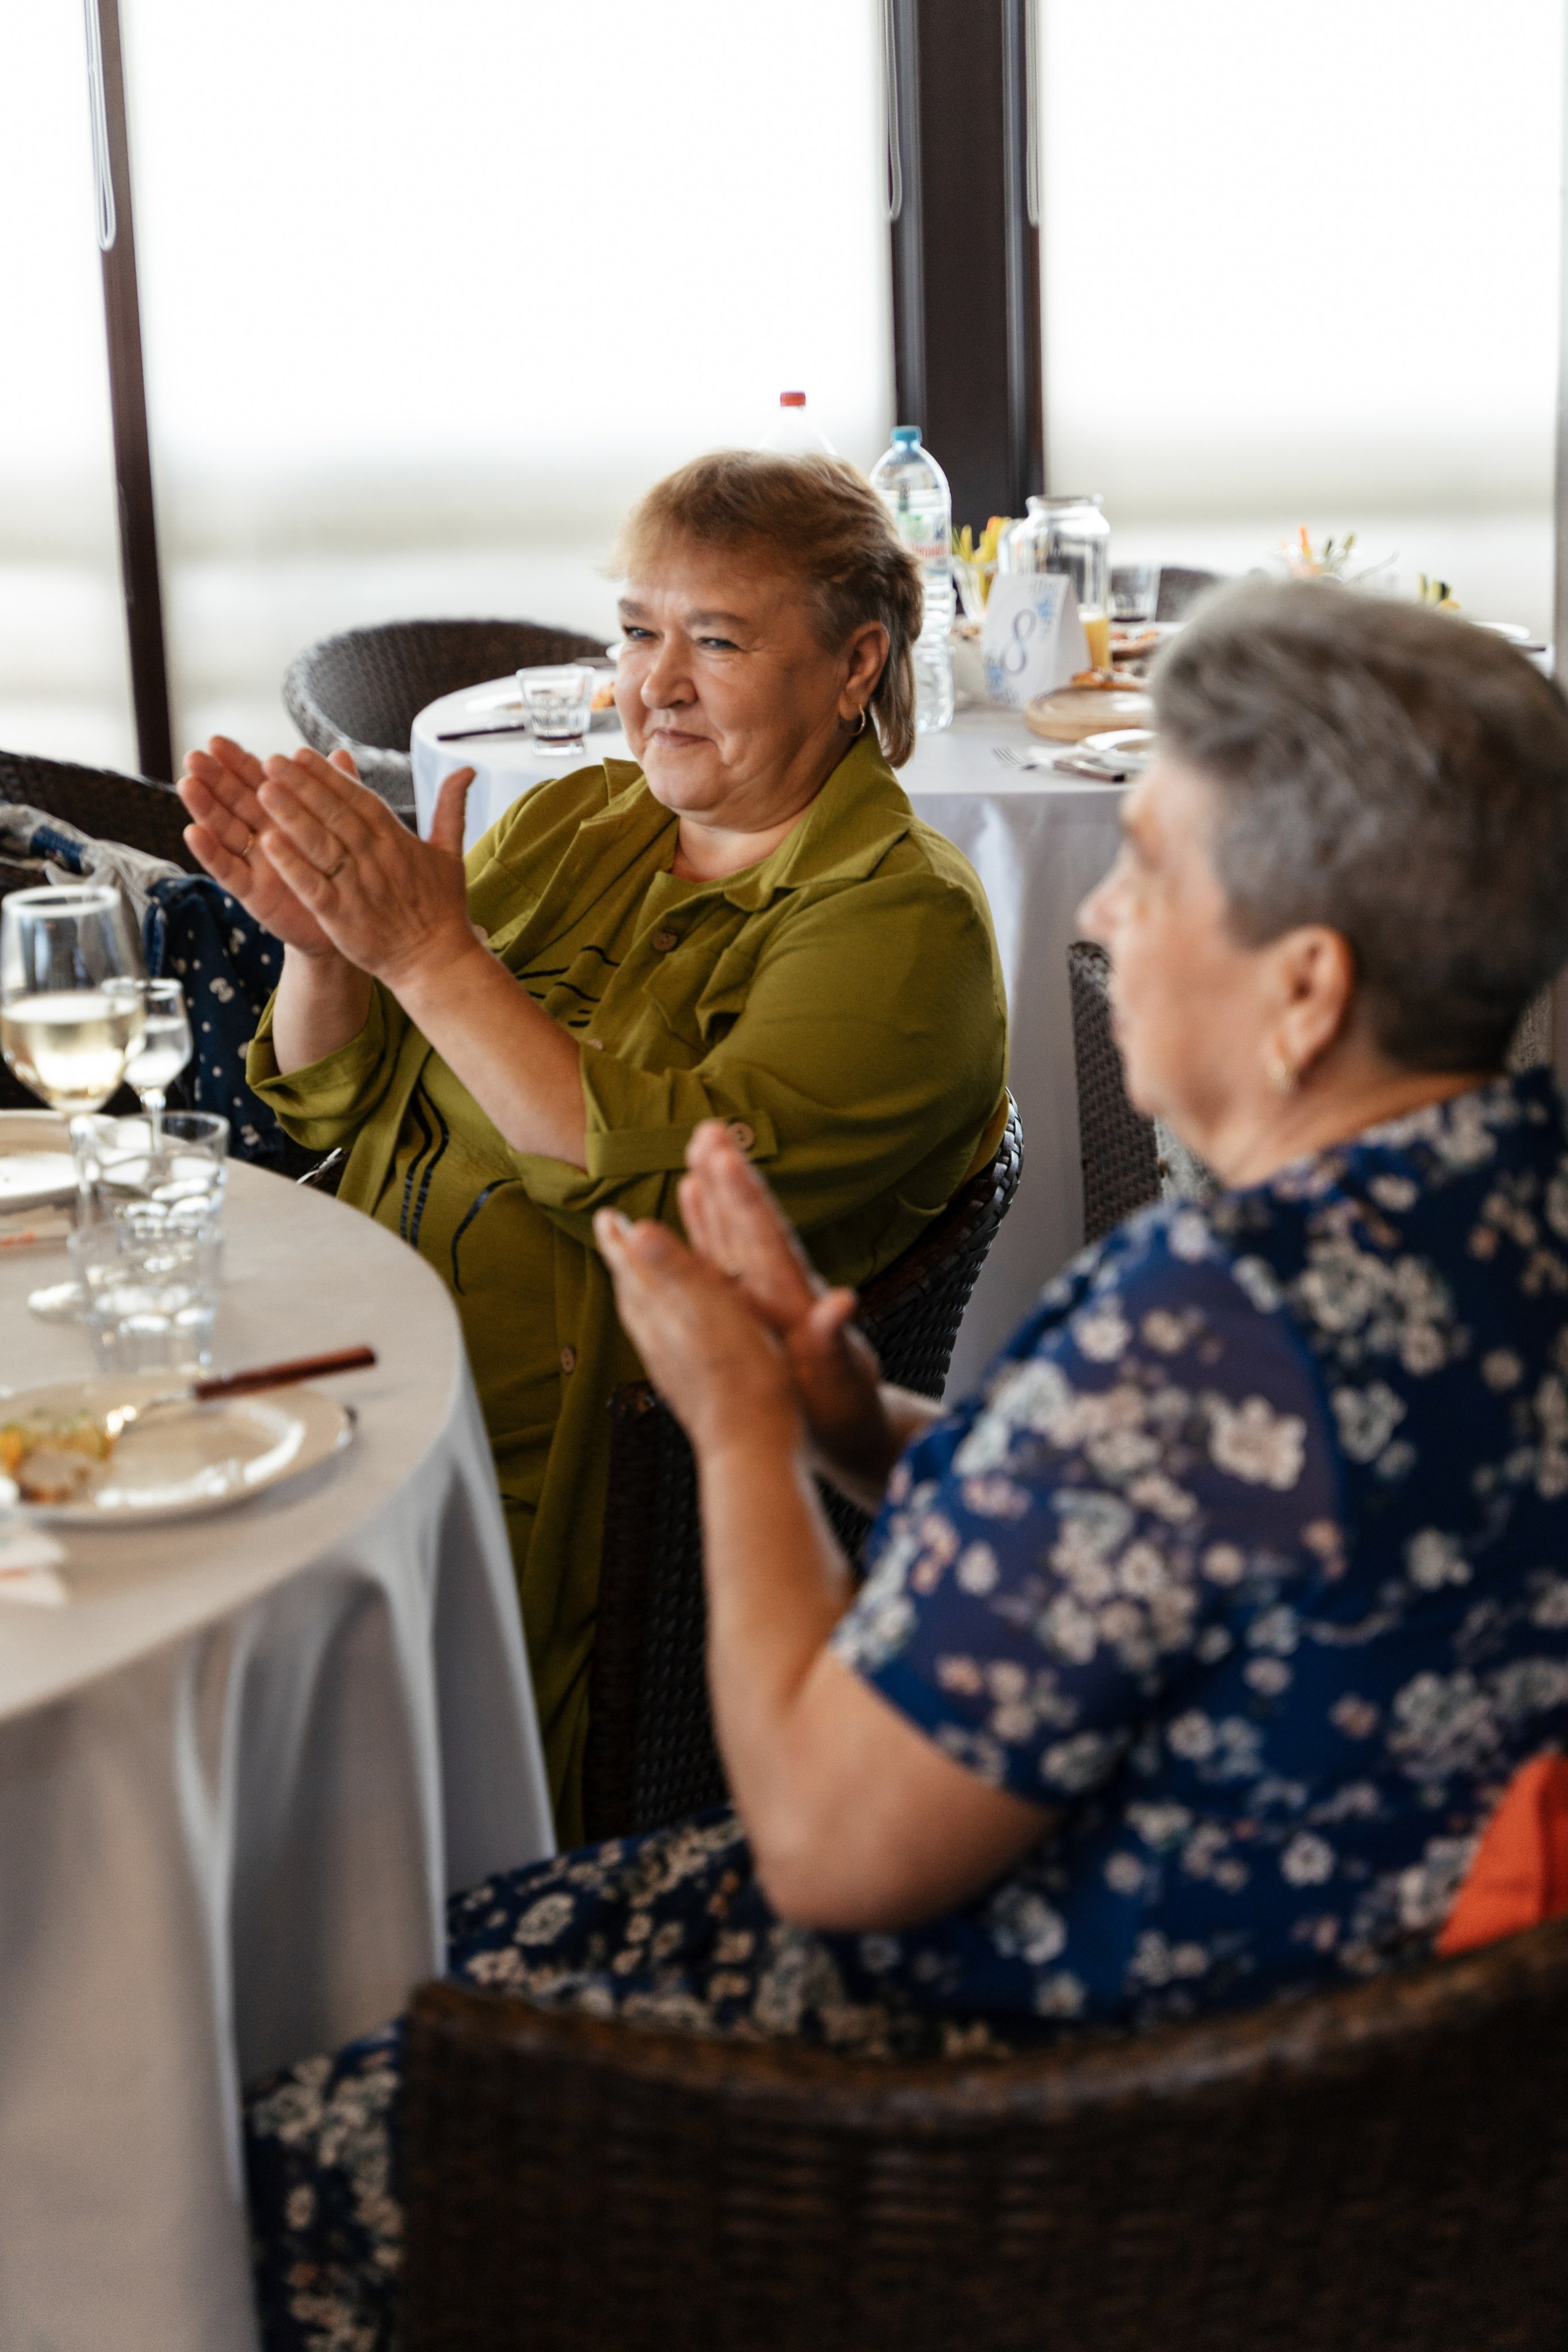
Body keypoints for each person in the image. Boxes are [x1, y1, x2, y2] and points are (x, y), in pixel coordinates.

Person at [246, 581, 1568, 2351]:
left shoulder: (1209, 1330)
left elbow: (824, 1848)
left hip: (1045, 2109)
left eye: (1149, 871)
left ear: (1304, 989)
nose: (1096, 915)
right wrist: (849, 1416)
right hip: (1362, 2053)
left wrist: (733, 1430)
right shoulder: (1503, 1214)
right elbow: (1142, 1541)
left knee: (296, 2097)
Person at [176, 453, 1009, 1840]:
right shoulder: (584, 820)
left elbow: (675, 1196)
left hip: (558, 1503)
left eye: (717, 642)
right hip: (338, 1384)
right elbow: (338, 1105)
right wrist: (323, 953)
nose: (656, 685)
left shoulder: (901, 922)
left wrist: (430, 957)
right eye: (636, 632)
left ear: (855, 664)